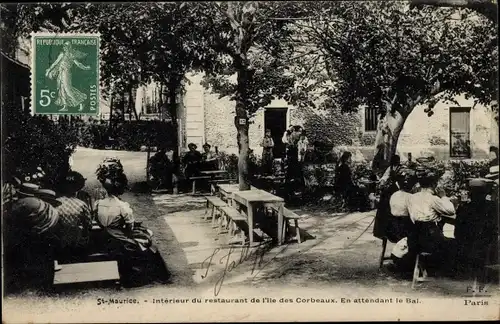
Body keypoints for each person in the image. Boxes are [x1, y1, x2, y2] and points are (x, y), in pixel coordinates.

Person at [94, 160, 168, 287]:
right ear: (121, 189)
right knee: (147, 244)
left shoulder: (98, 203)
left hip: (103, 236)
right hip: (117, 238)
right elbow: (130, 227)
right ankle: (161, 276)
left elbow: (96, 220)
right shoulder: (122, 206)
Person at [406, 171, 457, 274]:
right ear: (434, 185)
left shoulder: (411, 197)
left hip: (414, 237)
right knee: (453, 242)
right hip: (429, 237)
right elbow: (451, 210)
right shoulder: (433, 199)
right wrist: (443, 196)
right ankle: (446, 270)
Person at [455, 178, 498, 276]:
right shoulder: (492, 206)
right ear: (485, 192)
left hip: (468, 244)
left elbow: (458, 230)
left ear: (470, 193)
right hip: (487, 242)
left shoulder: (464, 208)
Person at [54, 171, 92, 260]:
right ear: (77, 189)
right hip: (77, 240)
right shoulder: (81, 204)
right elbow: (88, 225)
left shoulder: (55, 203)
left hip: (60, 240)